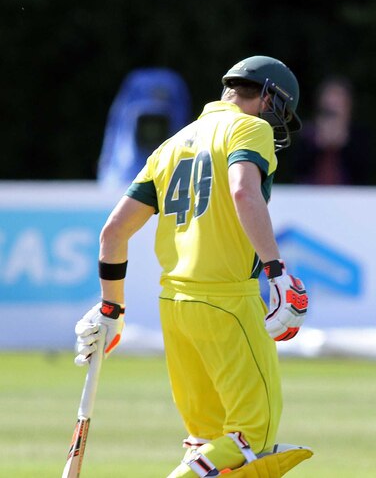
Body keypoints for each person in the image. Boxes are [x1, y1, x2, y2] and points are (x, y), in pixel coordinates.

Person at [73, 55, 314, 477]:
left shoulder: (171, 144)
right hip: (226, 302)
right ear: (269, 97)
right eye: (281, 114)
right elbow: (243, 191)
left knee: (208, 440)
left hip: (175, 305)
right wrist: (276, 271)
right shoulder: (249, 127)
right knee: (253, 437)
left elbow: (112, 233)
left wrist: (112, 308)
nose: (277, 127)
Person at [280, 76, 372, 185]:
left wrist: (344, 143)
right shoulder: (306, 134)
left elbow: (363, 174)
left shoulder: (359, 136)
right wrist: (318, 144)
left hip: (348, 197)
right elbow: (295, 170)